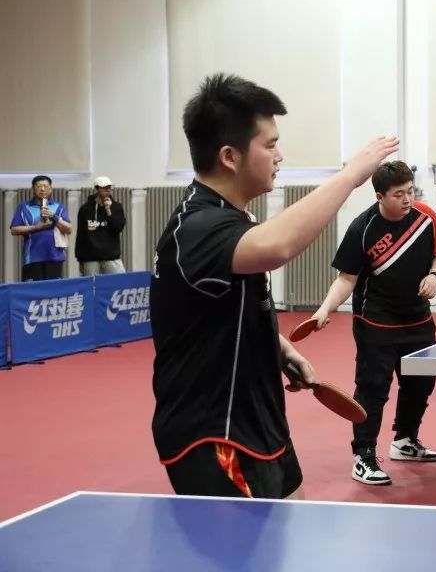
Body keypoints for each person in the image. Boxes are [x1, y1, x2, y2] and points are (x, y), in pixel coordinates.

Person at [149, 72, 398, 500]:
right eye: (270, 145)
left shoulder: (230, 218)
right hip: (216, 434)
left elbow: (221, 308)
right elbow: (278, 246)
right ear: (230, 156)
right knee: (254, 542)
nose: (279, 156)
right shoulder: (196, 226)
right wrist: (350, 176)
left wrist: (279, 348)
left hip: (261, 419)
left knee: (293, 523)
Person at [310, 161, 436, 485]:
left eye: (410, 191)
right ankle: (364, 456)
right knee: (373, 390)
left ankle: (405, 440)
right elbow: (346, 278)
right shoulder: (362, 228)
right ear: (379, 197)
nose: (407, 199)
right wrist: (325, 309)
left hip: (418, 319)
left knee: (420, 384)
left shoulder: (426, 217)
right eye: (399, 194)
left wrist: (435, 275)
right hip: (376, 322)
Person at [9, 174, 72, 281]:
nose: (42, 189)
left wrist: (54, 216)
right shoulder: (24, 207)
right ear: (33, 189)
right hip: (32, 257)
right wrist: (37, 227)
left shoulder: (58, 206)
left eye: (46, 186)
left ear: (51, 188)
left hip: (54, 256)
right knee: (33, 290)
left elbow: (68, 229)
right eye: (39, 186)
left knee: (53, 289)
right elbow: (14, 230)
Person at [75, 176, 127, 275]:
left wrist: (109, 211)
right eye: (104, 187)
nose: (107, 190)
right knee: (92, 284)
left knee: (119, 281)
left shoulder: (116, 207)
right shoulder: (85, 209)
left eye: (109, 187)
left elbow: (118, 228)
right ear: (97, 189)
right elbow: (81, 234)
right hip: (90, 258)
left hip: (111, 256)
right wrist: (80, 258)